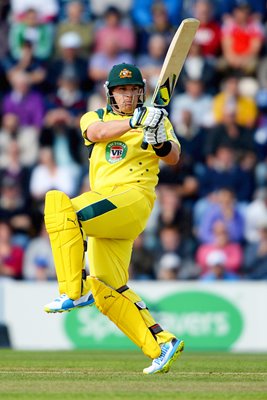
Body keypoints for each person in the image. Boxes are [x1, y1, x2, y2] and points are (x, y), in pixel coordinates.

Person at [43, 63, 184, 374]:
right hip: (108, 207)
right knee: (108, 289)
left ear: (142, 91)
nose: (128, 96)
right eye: (122, 91)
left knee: (60, 207)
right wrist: (135, 123)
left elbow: (173, 156)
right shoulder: (95, 116)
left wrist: (158, 138)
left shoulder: (156, 119)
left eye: (134, 90)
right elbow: (97, 133)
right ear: (110, 94)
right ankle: (161, 343)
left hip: (133, 198)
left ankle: (72, 291)